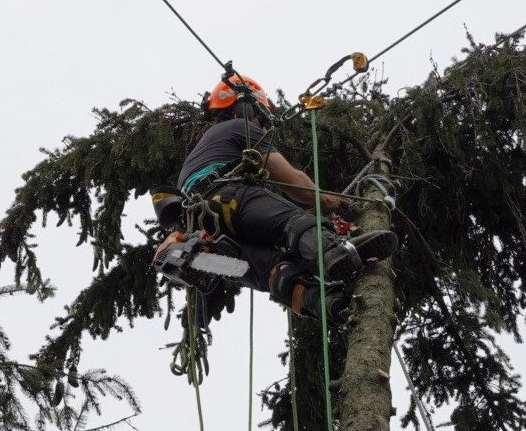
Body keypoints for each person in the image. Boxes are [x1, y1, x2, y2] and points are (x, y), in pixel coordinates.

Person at [160, 74, 397, 317]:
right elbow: (293, 182)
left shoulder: (203, 153)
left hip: (203, 234)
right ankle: (332, 251)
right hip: (223, 198)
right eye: (261, 119)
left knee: (276, 271)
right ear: (246, 108)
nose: (262, 128)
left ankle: (325, 303)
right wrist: (333, 202)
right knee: (294, 223)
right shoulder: (239, 127)